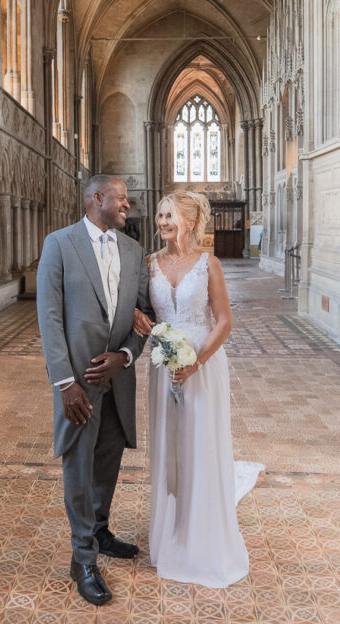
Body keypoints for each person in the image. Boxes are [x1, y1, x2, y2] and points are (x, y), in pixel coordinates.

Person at [133, 190, 264, 588]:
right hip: (163, 365)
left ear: (189, 221)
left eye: (169, 215)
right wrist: (143, 320)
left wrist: (196, 362)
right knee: (169, 444)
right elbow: (148, 312)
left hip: (201, 366)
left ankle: (201, 536)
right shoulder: (149, 263)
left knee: (199, 444)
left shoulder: (210, 264)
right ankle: (170, 533)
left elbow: (223, 322)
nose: (162, 222)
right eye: (159, 215)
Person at [36, 174, 154, 606]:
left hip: (118, 379)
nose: (128, 204)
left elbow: (144, 316)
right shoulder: (59, 244)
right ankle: (82, 557)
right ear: (97, 198)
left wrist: (125, 355)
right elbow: (49, 320)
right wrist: (65, 382)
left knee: (108, 460)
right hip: (79, 384)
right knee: (79, 469)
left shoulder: (133, 251)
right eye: (122, 198)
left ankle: (99, 531)